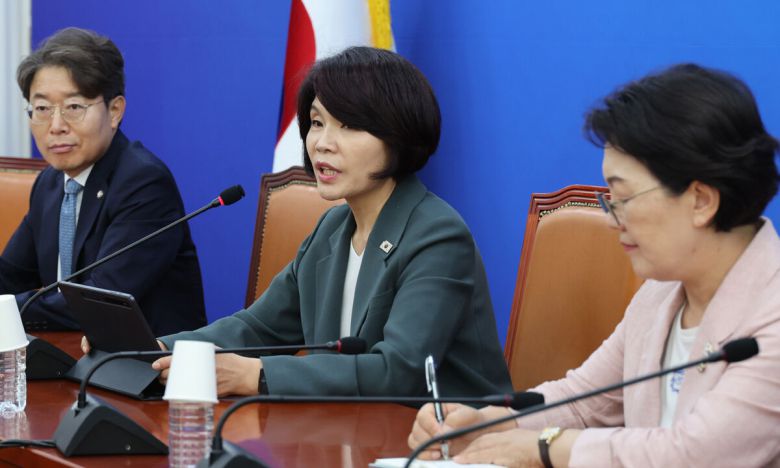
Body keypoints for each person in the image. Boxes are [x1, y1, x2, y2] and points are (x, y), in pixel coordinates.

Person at [408, 64, 780, 467]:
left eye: (623, 198)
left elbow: (695, 454)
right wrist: (490, 424)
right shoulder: (663, 293)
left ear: (701, 201)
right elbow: (585, 400)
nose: (612, 219)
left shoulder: (771, 312)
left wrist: (546, 448)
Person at [147, 46, 512, 397]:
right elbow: (258, 328)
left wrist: (255, 375)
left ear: (399, 135)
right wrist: (157, 349)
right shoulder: (332, 229)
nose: (322, 143)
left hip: (449, 432)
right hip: (348, 427)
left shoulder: (437, 236)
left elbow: (397, 372)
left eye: (349, 125)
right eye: (317, 122)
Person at [0, 27, 206, 335]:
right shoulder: (50, 183)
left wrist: (6, 311)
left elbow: (97, 302)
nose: (55, 126)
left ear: (114, 111)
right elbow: (10, 277)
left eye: (73, 107)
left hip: (147, 360)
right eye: (41, 108)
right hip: (74, 353)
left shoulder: (144, 184)